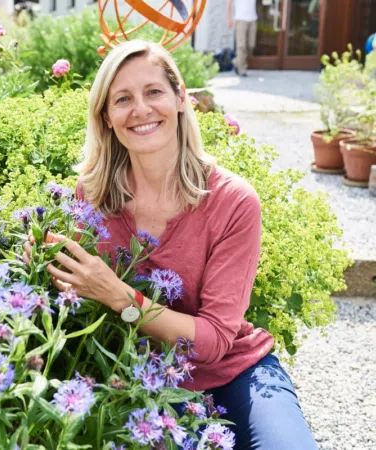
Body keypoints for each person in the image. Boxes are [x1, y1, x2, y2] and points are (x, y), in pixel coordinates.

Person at [23, 39, 318, 450]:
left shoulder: (233, 201)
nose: (141, 110)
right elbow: (78, 286)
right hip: (135, 375)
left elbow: (215, 342)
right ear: (107, 117)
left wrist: (119, 296)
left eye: (154, 92)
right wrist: (42, 262)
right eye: (122, 99)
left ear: (181, 98)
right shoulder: (91, 193)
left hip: (234, 374)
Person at [226, 0, 257, 77]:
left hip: (253, 19)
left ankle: (236, 62)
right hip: (240, 19)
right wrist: (229, 19)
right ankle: (242, 69)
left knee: (251, 45)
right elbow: (229, 3)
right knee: (241, 46)